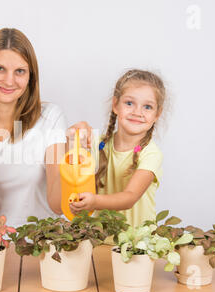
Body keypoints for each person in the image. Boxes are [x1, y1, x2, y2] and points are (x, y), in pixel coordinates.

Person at [0, 28, 87, 227]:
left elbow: (57, 205)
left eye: (19, 71)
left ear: (30, 76)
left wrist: (75, 153)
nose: (9, 80)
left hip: (43, 244)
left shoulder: (50, 117)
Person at [70, 69, 166, 228]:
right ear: (115, 105)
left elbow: (130, 197)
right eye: (129, 103)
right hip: (99, 240)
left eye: (147, 107)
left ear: (157, 114)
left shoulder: (151, 153)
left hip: (137, 244)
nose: (137, 112)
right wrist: (74, 137)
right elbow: (73, 172)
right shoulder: (97, 144)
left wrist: (94, 201)